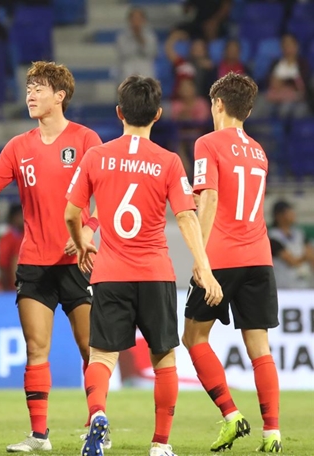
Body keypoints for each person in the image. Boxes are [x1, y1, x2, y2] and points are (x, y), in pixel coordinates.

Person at [65, 75, 223, 456]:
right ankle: (160, 444)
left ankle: (99, 415)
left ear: (119, 112)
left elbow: (72, 211)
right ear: (158, 115)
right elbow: (186, 217)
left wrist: (81, 237)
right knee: (164, 356)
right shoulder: (169, 161)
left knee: (102, 356)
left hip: (110, 273)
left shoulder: (95, 156)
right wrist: (203, 266)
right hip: (155, 274)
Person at [0, 61, 102, 452]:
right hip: (35, 262)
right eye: (28, 87)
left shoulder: (87, 140)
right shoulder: (18, 147)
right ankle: (39, 435)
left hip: (79, 263)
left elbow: (110, 192)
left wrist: (88, 228)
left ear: (60, 96)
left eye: (39, 88)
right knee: (36, 350)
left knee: (90, 349)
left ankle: (95, 422)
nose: (30, 94)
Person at [182, 72, 283, 453]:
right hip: (259, 258)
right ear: (250, 109)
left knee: (193, 337)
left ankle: (231, 415)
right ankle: (272, 433)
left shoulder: (207, 142)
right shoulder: (259, 151)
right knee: (261, 348)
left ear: (218, 104)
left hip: (222, 257)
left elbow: (207, 200)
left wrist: (200, 256)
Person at [269, 200, 314, 289]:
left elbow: (311, 254)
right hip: (283, 286)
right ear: (279, 215)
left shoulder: (299, 233)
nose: (293, 214)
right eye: (288, 211)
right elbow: (291, 261)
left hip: (304, 285)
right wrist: (306, 257)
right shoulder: (273, 236)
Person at [116, 7, 158, 79]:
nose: (136, 22)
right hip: (128, 69)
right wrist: (133, 36)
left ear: (144, 20)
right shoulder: (122, 36)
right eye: (134, 19)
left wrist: (140, 37)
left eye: (139, 19)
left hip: (146, 69)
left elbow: (151, 52)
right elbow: (124, 53)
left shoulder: (150, 36)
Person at [0, 204, 23, 291]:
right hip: (12, 286)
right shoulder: (6, 239)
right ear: (12, 217)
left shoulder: (28, 236)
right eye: (20, 215)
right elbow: (3, 265)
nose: (23, 218)